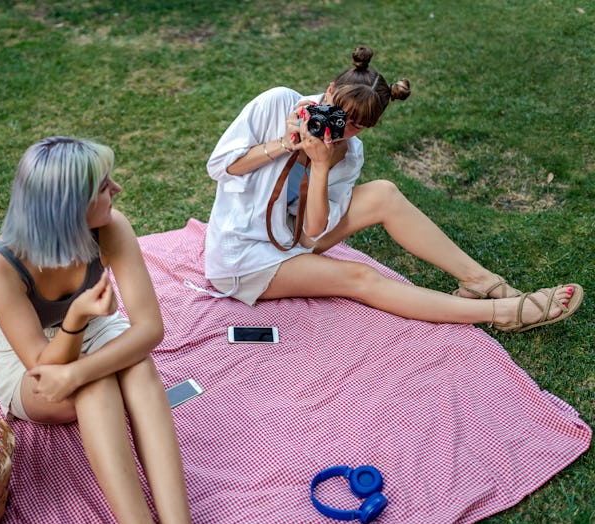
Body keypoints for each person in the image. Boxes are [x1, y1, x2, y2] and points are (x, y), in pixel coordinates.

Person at [203, 45, 583, 332]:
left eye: (356, 126)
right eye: (338, 112)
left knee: (383, 192)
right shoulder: (278, 103)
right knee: (360, 278)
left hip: (294, 237)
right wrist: (285, 144)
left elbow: (311, 234)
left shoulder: (348, 153)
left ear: (369, 127)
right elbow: (221, 166)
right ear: (330, 88)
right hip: (244, 254)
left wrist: (321, 165)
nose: (341, 127)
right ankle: (499, 313)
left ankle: (479, 280)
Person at [0, 137, 192, 524]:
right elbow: (45, 369)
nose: (117, 189)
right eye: (104, 186)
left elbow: (150, 329)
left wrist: (79, 366)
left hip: (95, 331)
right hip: (27, 361)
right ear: (68, 206)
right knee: (96, 387)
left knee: (139, 369)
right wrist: (75, 318)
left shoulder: (111, 226)